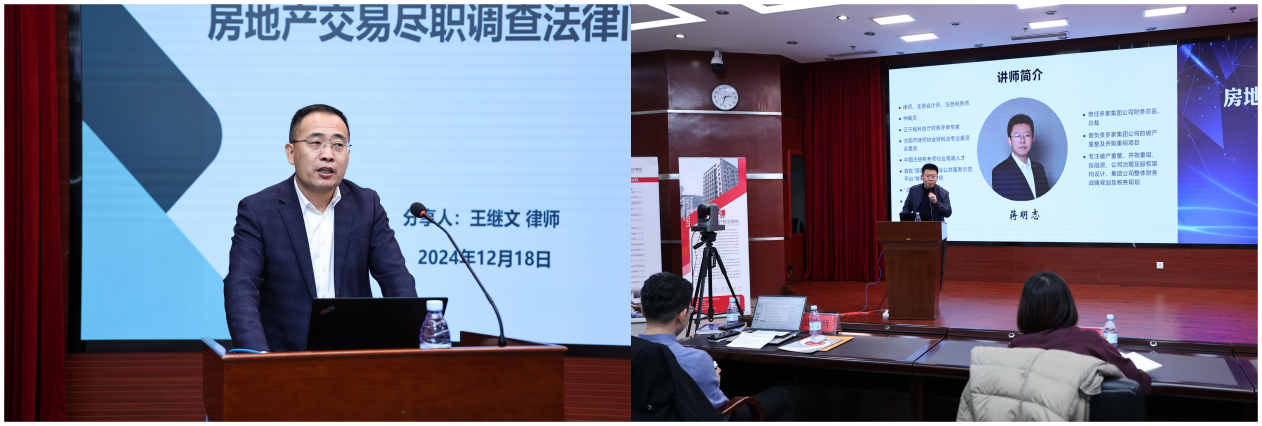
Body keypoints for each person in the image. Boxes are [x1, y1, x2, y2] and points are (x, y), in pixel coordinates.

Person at [224, 104, 417, 352]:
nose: (328, 155)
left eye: (338, 145)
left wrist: (414, 341)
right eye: (316, 143)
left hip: (354, 354)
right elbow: (241, 287)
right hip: (284, 357)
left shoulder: (366, 205)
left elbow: (395, 277)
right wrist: (258, 359)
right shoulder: (258, 210)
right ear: (291, 153)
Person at [637, 272, 795, 421]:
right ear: (682, 315)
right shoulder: (696, 360)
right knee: (784, 394)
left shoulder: (628, 352)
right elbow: (719, 413)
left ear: (643, 311)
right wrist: (712, 382)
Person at [1008, 272, 1152, 396]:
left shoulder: (1015, 350)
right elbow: (1141, 385)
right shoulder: (1090, 341)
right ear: (1067, 304)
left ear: (1025, 309)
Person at [991, 114, 1050, 201]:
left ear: (1032, 139)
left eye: (1027, 135)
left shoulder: (1039, 168)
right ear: (1009, 141)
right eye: (1017, 136)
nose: (1022, 140)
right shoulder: (1000, 172)